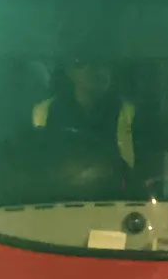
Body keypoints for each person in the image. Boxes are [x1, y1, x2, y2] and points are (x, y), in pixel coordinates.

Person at [32, 59, 140, 195]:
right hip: (52, 200)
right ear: (69, 70)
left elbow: (141, 173)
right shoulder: (43, 111)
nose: (100, 71)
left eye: (104, 63)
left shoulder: (131, 112)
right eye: (88, 63)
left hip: (116, 200)